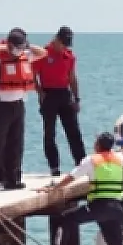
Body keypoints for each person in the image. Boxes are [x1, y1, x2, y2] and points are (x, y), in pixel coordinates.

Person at [37, 132, 123, 245]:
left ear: (98, 145)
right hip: (116, 209)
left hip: (99, 207)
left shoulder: (91, 160)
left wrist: (54, 188)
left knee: (65, 219)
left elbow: (71, 177)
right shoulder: (119, 159)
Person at [0, 28, 46, 189]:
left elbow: (42, 53)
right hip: (1, 104)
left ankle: (13, 178)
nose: (18, 51)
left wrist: (26, 46)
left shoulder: (25, 55)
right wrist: (3, 47)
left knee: (16, 143)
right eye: (16, 47)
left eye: (21, 47)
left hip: (18, 105)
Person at [34, 26, 85, 176]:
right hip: (48, 94)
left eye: (66, 44)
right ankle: (54, 167)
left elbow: (72, 78)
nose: (64, 46)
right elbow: (33, 76)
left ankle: (81, 163)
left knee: (73, 130)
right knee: (49, 133)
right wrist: (40, 93)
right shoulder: (43, 53)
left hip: (64, 93)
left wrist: (76, 98)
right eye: (63, 42)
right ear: (56, 39)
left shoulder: (69, 56)